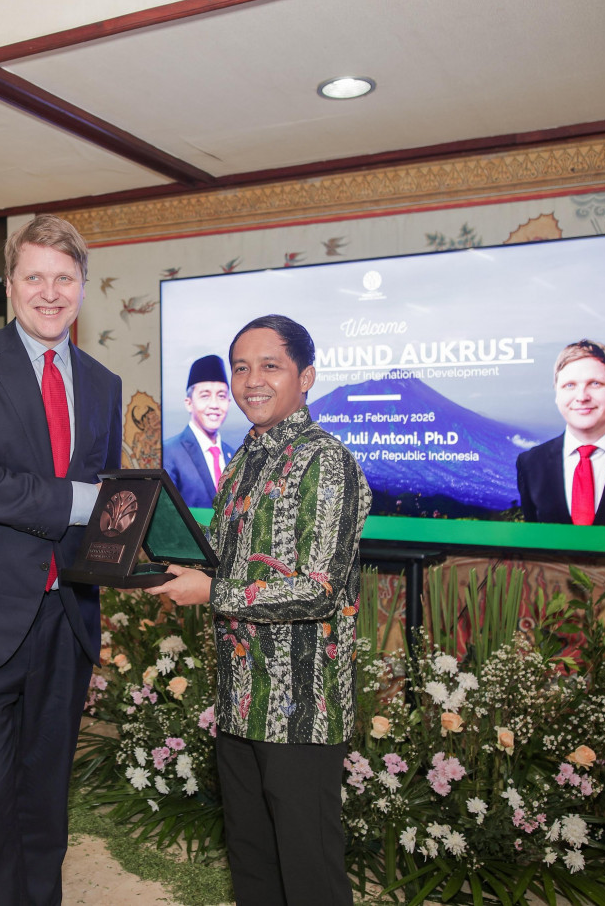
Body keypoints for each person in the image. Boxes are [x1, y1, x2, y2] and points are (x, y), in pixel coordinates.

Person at [0, 214, 122, 905]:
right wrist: (79, 500)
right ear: (10, 285)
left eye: (63, 278)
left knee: (44, 809)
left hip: (63, 625)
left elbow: (113, 503)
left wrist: (139, 548)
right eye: (34, 276)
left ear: (83, 288)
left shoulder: (103, 383)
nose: (49, 292)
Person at [152, 314, 371, 906]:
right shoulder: (244, 459)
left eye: (269, 366)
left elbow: (317, 588)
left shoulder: (326, 462)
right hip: (239, 700)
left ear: (307, 377)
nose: (252, 381)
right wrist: (159, 564)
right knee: (252, 865)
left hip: (300, 708)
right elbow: (227, 562)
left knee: (310, 874)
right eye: (241, 368)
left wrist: (211, 592)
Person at [516, 339, 605, 527]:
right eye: (569, 385)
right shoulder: (531, 464)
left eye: (595, 383)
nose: (582, 397)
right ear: (557, 394)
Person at [163, 355, 236, 509]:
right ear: (189, 403)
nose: (214, 405)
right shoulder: (169, 453)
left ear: (229, 402)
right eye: (205, 396)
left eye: (221, 396)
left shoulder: (234, 455)